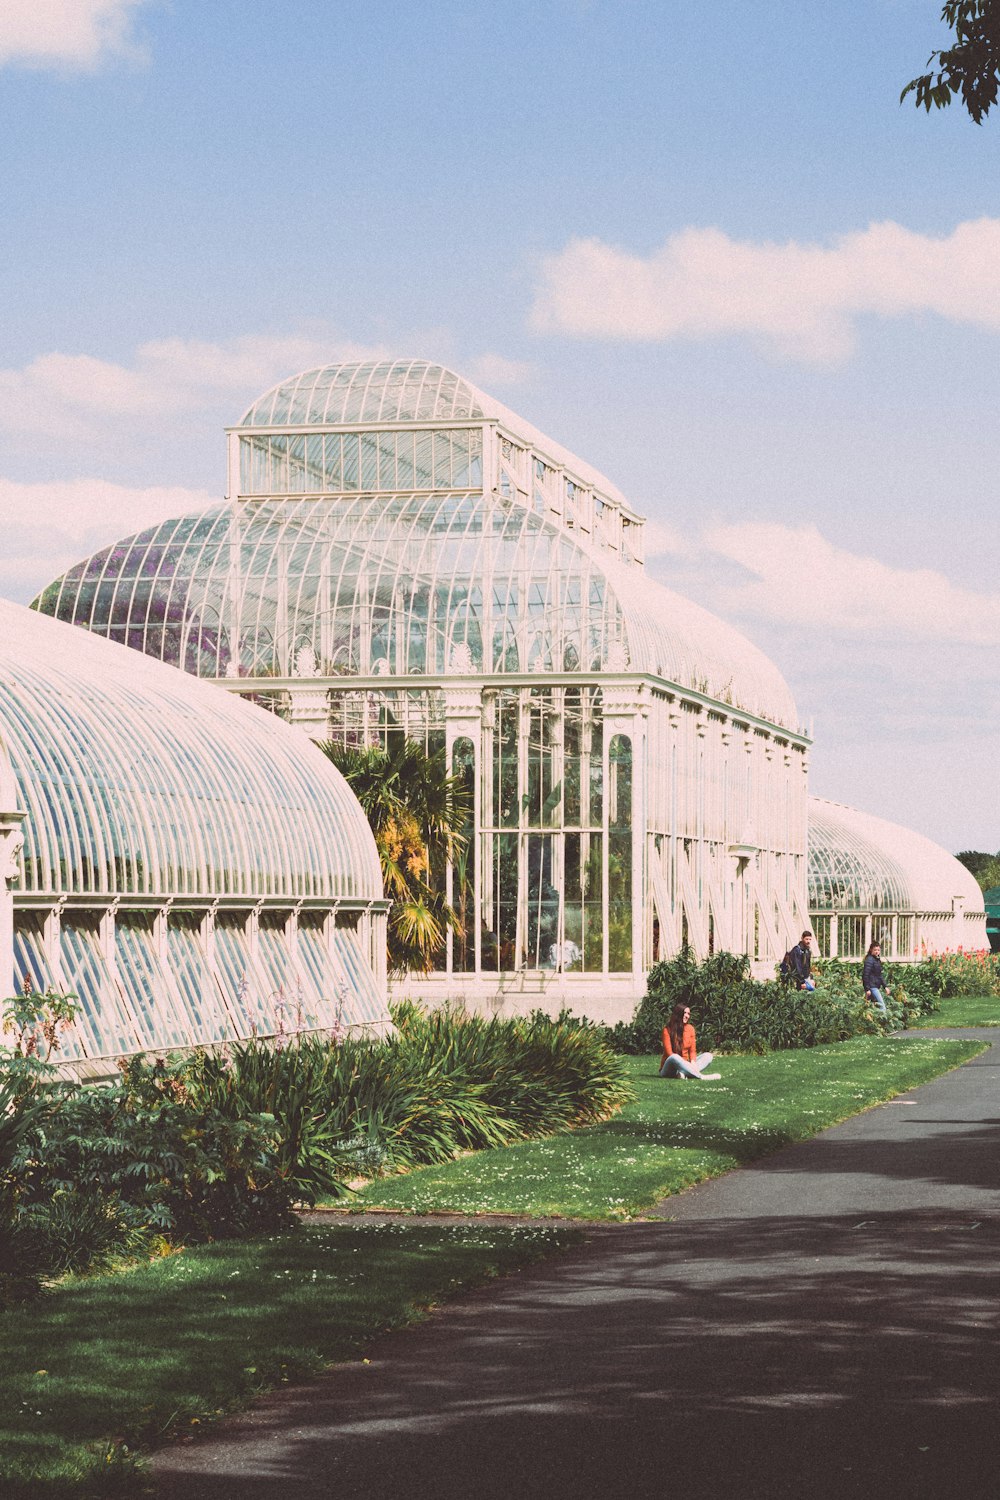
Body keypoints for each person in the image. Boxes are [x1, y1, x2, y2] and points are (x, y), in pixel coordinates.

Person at [659, 1002, 720, 1080]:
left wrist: (693, 1062)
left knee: (708, 1056)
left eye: (688, 1014)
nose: (687, 1016)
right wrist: (684, 1065)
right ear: (678, 1013)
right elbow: (669, 1053)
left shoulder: (690, 1028)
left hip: (686, 1064)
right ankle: (700, 1076)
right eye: (685, 1013)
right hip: (670, 1068)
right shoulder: (667, 1030)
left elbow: (692, 1051)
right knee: (674, 1057)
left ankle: (683, 1073)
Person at [862, 941, 890, 1014]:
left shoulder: (876, 960)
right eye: (875, 950)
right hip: (872, 987)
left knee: (870, 1008)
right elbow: (865, 975)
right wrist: (867, 989)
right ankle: (883, 1022)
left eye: (878, 950)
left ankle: (873, 1023)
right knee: (882, 1006)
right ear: (871, 950)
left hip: (875, 986)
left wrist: (885, 987)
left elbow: (879, 975)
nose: (877, 951)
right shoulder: (869, 960)